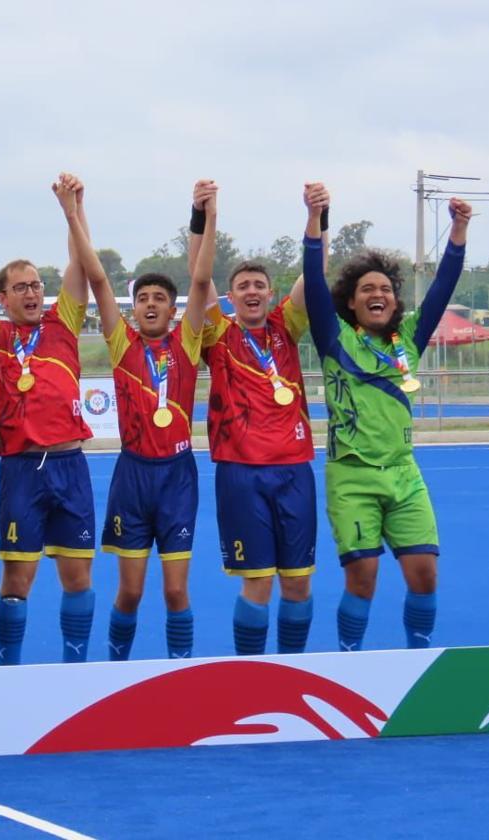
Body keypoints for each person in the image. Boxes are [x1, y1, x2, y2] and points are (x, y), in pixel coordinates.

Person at [304, 189, 471, 651]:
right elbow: (314, 286)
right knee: (364, 577)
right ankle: (350, 660)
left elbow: (442, 287)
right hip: (351, 476)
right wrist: (315, 218)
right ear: (352, 303)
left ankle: (417, 659)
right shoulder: (334, 338)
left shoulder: (410, 339)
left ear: (394, 302)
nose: (378, 294)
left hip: (404, 475)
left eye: (385, 290)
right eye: (367, 290)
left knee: (424, 574)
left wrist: (458, 232)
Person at [0, 174, 96, 665]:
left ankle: (75, 666)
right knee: (17, 580)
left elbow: (81, 266)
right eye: (20, 287)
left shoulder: (64, 322)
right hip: (21, 470)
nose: (32, 293)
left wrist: (73, 208)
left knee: (78, 577)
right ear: (3, 298)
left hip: (71, 466)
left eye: (36, 285)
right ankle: (10, 671)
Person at [72, 178, 215, 660]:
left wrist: (205, 215)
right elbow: (96, 280)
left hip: (177, 477)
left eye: (159, 298)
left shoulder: (187, 343)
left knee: (176, 593)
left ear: (173, 310)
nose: (150, 304)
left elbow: (200, 280)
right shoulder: (121, 345)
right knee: (129, 594)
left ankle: (180, 675)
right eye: (143, 298)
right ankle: (116, 671)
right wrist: (73, 211)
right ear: (133, 309)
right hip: (132, 476)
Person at [196, 180, 328, 655]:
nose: (252, 291)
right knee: (256, 582)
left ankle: (293, 669)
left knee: (297, 584)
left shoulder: (286, 327)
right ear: (230, 298)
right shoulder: (216, 332)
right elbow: (199, 276)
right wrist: (203, 215)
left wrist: (316, 216)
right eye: (242, 286)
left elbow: (313, 274)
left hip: (293, 470)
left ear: (271, 295)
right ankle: (250, 673)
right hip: (241, 473)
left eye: (259, 285)